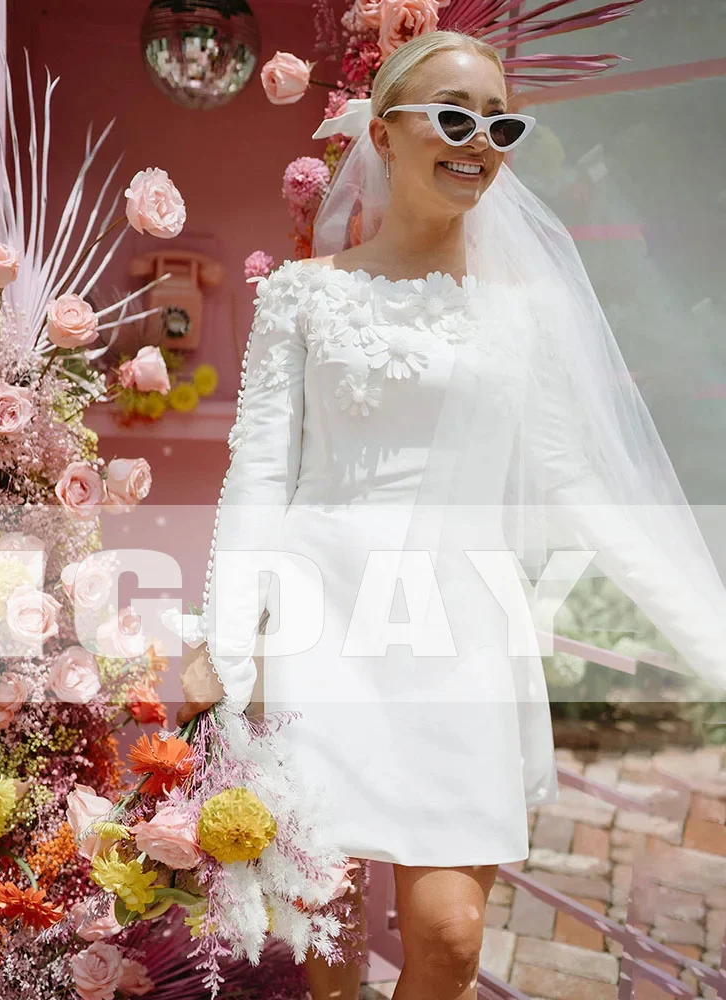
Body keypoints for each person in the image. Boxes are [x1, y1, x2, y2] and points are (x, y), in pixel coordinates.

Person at [177, 29, 726, 1000]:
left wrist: (711, 641)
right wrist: (223, 645)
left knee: (450, 937)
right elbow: (260, 477)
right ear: (382, 136)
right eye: (452, 116)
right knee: (327, 936)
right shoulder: (302, 299)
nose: (477, 142)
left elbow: (576, 485)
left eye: (498, 123)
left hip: (463, 636)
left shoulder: (528, 310)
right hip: (321, 633)